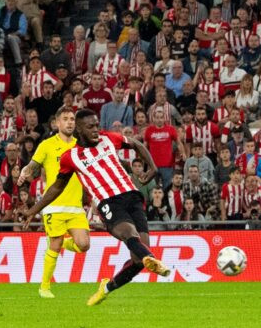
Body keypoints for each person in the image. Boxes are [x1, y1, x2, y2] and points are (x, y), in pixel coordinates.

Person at [23, 108, 170, 306]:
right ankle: (153, 260)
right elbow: (56, 187)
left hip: (132, 196)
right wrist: (33, 210)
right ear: (79, 130)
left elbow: (135, 144)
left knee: (137, 259)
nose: (95, 130)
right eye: (90, 127)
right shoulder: (71, 157)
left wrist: (153, 168)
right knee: (129, 234)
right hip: (108, 201)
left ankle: (107, 288)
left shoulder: (108, 139)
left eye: (97, 125)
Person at [18, 109, 90, 299]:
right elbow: (33, 166)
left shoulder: (80, 146)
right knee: (55, 245)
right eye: (65, 119)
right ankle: (44, 287)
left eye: (72, 119)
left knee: (84, 245)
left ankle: (66, 244)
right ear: (57, 123)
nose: (69, 123)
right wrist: (25, 172)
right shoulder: (47, 145)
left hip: (75, 206)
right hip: (54, 204)